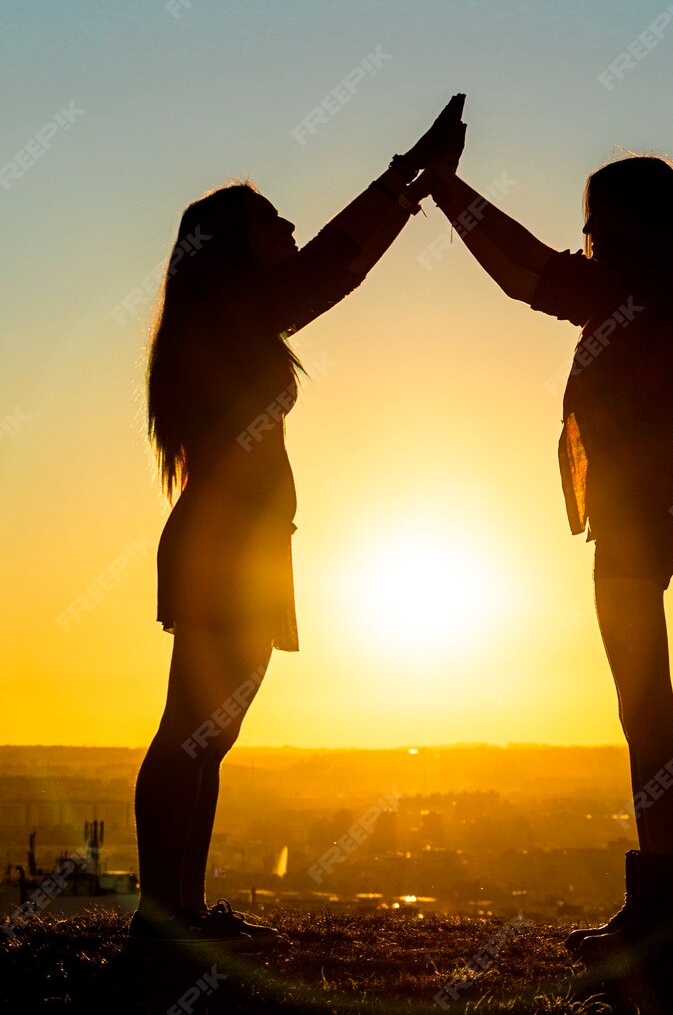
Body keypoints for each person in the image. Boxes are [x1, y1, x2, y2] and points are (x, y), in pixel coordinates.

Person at [129, 96, 467, 952]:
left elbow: (325, 266)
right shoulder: (235, 318)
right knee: (189, 733)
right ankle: (162, 917)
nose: (286, 224)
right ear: (233, 250)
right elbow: (333, 266)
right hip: (225, 546)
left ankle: (182, 914)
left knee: (208, 735)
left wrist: (406, 184)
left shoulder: (232, 321)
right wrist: (404, 181)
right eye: (268, 219)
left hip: (247, 545)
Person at [411, 140, 673, 972]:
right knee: (643, 710)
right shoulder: (649, 296)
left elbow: (521, 273)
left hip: (636, 521)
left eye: (594, 225)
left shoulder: (628, 298)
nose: (582, 237)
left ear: (626, 229)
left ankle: (661, 916)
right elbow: (534, 268)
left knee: (646, 713)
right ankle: (658, 909)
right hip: (645, 517)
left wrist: (443, 189)